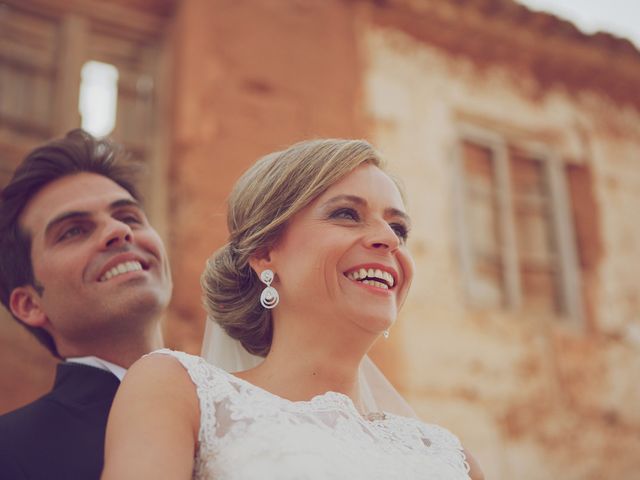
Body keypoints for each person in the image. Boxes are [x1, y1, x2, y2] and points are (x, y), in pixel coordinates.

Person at [102, 139, 483, 479]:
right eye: (347, 214)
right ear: (265, 252)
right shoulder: (179, 391)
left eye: (399, 229)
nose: (388, 239)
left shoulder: (450, 458)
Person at [0, 129, 172, 479]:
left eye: (129, 217)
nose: (118, 231)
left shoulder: (248, 406)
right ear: (30, 304)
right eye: (73, 231)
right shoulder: (9, 451)